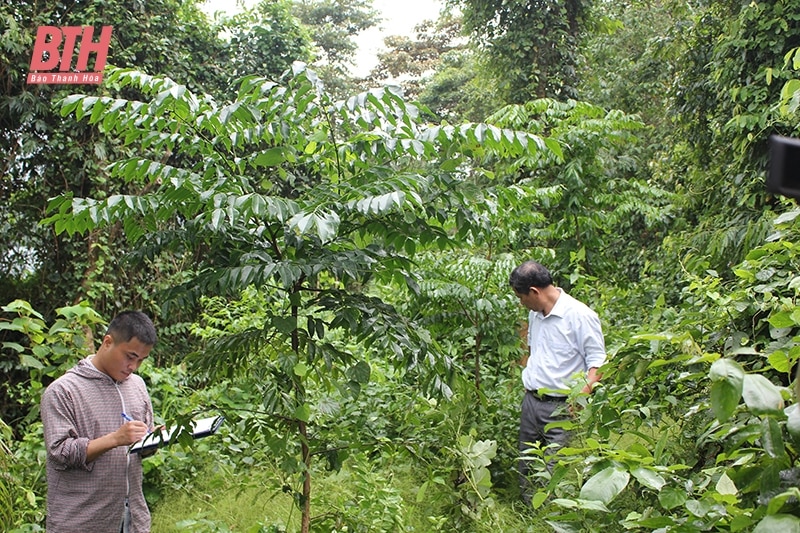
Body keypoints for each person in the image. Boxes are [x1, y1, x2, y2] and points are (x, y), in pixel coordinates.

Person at [41, 310, 158, 532]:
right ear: (107, 342)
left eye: (141, 360)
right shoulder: (64, 390)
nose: (133, 367)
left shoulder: (137, 386)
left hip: (132, 518)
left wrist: (153, 439)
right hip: (81, 521)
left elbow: (140, 447)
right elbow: (60, 453)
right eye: (130, 356)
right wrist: (115, 438)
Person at [509, 260, 607, 504]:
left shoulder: (580, 316)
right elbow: (534, 350)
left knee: (555, 470)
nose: (521, 303)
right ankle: (528, 517)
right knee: (527, 466)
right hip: (532, 402)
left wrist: (582, 396)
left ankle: (553, 519)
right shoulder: (535, 315)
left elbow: (598, 363)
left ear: (534, 291)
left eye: (521, 297)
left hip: (563, 407)